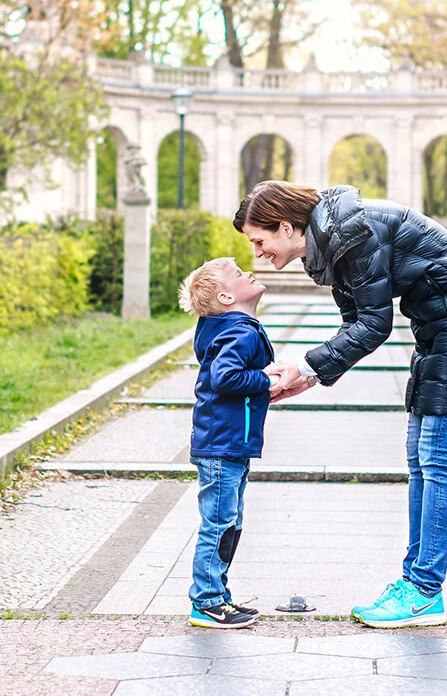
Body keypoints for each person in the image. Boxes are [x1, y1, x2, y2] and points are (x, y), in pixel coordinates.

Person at [236, 181, 447, 628]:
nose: (257, 253)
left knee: (436, 457)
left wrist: (307, 366)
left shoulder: (353, 232)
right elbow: (356, 321)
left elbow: (374, 324)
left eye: (259, 240)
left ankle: (423, 592)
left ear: (287, 228)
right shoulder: (333, 238)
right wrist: (308, 376)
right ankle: (415, 584)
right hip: (444, 328)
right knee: (420, 456)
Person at [177, 256, 274, 628]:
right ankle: (207, 601)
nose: (248, 272)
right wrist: (266, 379)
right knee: (219, 524)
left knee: (228, 523)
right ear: (226, 298)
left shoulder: (231, 327)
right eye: (238, 274)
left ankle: (218, 594)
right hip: (222, 444)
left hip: (229, 443)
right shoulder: (238, 332)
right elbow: (226, 378)